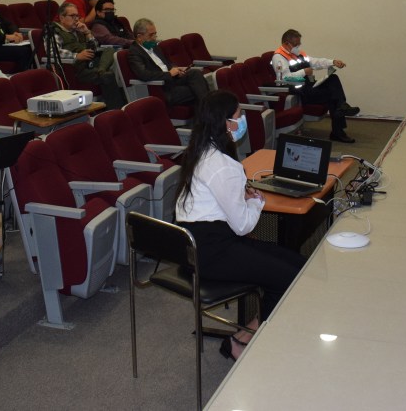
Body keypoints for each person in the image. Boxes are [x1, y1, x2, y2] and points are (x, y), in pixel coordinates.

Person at [175, 90, 305, 360]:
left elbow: (215, 199)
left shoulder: (199, 151)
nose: (243, 119)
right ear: (225, 123)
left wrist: (240, 197)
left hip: (195, 244)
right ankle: (243, 339)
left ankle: (246, 335)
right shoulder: (223, 165)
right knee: (291, 277)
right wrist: (257, 201)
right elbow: (244, 225)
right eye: (239, 115)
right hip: (211, 251)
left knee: (297, 263)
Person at [271, 29, 360, 144]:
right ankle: (338, 128)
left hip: (308, 86)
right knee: (333, 95)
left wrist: (332, 62)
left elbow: (315, 62)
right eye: (296, 44)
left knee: (333, 79)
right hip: (300, 92)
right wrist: (304, 72)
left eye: (299, 43)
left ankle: (341, 108)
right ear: (286, 43)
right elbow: (285, 78)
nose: (298, 46)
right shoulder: (278, 57)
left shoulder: (298, 54)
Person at [52, 2, 125, 108]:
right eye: (72, 16)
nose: (76, 19)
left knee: (110, 50)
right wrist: (76, 56)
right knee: (108, 75)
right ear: (62, 18)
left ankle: (101, 69)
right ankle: (116, 110)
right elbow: (53, 52)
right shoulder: (55, 32)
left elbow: (95, 47)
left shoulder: (78, 30)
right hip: (76, 69)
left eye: (77, 16)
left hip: (91, 64)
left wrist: (87, 32)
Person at [127, 18, 209, 108]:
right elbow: (144, 74)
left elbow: (167, 64)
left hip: (172, 81)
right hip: (161, 88)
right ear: (139, 37)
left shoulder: (154, 47)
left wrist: (176, 69)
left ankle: (206, 111)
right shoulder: (134, 52)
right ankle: (208, 111)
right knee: (199, 88)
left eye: (155, 34)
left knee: (195, 74)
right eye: (151, 35)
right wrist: (169, 74)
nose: (154, 38)